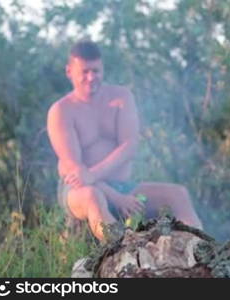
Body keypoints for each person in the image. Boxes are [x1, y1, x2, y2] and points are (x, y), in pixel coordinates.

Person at [47, 40, 202, 241]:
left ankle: (202, 253)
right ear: (69, 71)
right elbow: (77, 174)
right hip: (81, 191)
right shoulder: (61, 111)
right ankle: (122, 248)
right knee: (94, 197)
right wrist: (117, 198)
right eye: (84, 71)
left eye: (96, 71)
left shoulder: (120, 97)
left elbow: (130, 146)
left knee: (178, 195)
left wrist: (97, 177)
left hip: (123, 185)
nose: (91, 77)